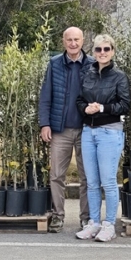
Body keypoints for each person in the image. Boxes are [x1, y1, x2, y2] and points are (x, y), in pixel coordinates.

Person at [75, 34, 131, 243]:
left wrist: (102, 108)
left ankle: (109, 225)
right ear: (94, 52)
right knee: (91, 182)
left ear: (113, 51)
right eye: (98, 49)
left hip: (110, 132)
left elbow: (125, 105)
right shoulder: (87, 74)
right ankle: (94, 222)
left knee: (108, 181)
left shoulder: (119, 77)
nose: (102, 53)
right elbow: (79, 100)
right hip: (88, 131)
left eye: (107, 49)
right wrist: (85, 109)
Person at [39, 27, 93, 232]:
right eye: (69, 40)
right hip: (60, 130)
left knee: (87, 177)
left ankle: (86, 218)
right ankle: (58, 216)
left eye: (76, 39)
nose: (73, 43)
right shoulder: (54, 64)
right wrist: (45, 124)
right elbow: (46, 96)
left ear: (83, 41)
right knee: (56, 175)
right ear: (63, 41)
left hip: (86, 129)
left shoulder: (92, 64)